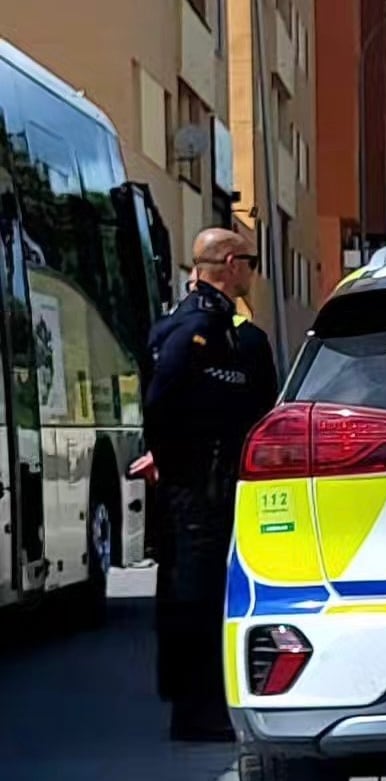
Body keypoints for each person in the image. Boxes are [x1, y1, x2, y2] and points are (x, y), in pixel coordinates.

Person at [140, 227, 269, 740]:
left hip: (200, 480)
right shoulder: (200, 327)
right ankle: (195, 710)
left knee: (188, 591)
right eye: (252, 263)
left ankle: (191, 699)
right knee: (196, 595)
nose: (253, 274)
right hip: (200, 484)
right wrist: (170, 462)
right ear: (232, 263)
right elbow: (161, 398)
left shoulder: (217, 325)